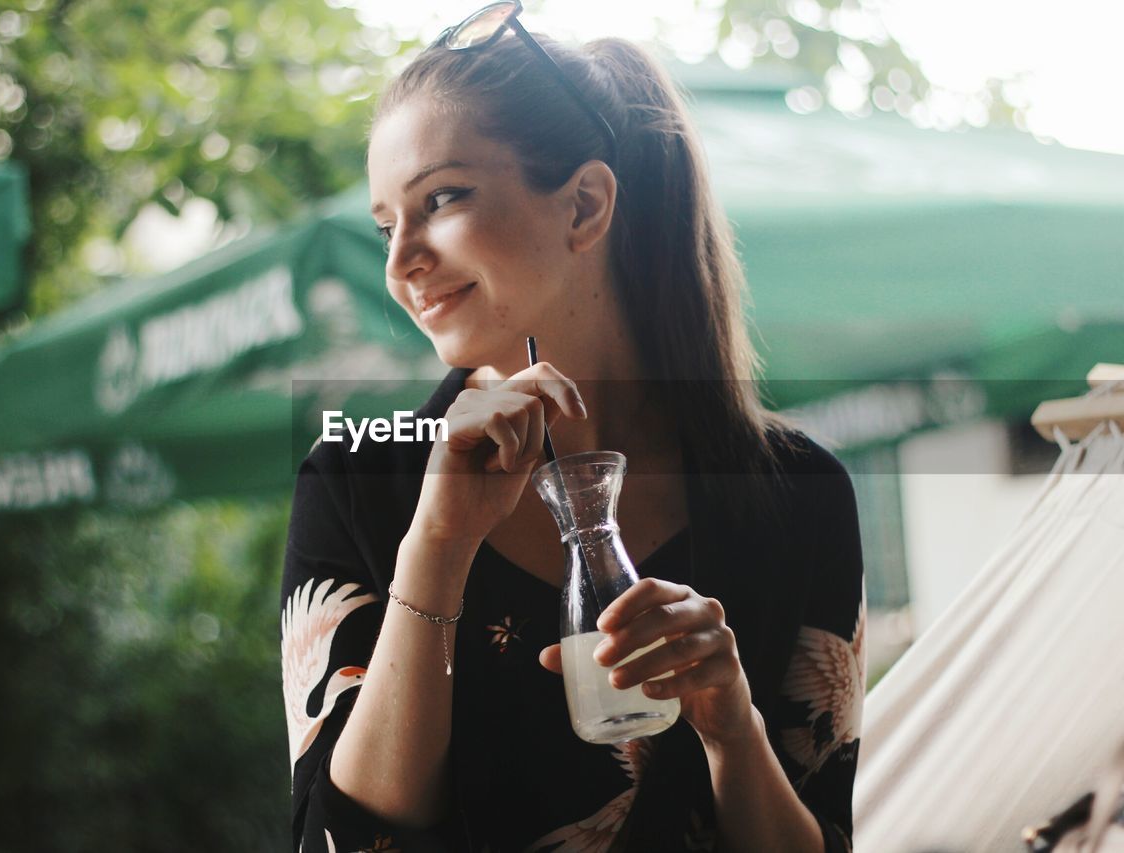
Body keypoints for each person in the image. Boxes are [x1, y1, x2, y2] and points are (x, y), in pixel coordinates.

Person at [280, 4, 865, 851]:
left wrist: (735, 733)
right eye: (384, 224)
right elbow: (334, 839)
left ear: (585, 203)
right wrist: (437, 546)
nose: (399, 260)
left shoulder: (797, 495)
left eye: (440, 199)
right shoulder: (357, 481)